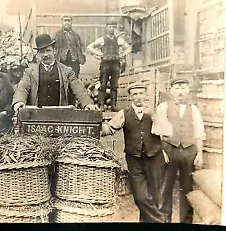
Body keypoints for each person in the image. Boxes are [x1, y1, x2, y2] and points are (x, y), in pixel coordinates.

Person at [101, 82, 167, 223]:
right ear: (130, 97)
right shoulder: (124, 114)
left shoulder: (155, 113)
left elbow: (165, 132)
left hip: (155, 157)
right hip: (134, 159)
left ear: (146, 95)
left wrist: (154, 116)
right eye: (134, 94)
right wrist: (96, 125)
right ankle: (161, 220)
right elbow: (109, 129)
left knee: (155, 195)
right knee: (140, 196)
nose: (138, 97)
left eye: (141, 93)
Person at [152, 77, 206, 223]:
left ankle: (186, 222)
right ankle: (164, 220)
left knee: (187, 190)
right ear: (171, 90)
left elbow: (199, 132)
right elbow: (157, 132)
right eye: (177, 88)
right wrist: (161, 152)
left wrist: (199, 154)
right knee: (165, 188)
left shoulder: (193, 109)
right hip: (169, 150)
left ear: (188, 90)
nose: (180, 92)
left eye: (183, 88)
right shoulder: (163, 107)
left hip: (189, 151)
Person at [12, 34, 97, 113]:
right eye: (42, 52)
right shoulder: (30, 72)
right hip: (38, 116)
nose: (45, 55)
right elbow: (22, 89)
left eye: (48, 51)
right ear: (38, 54)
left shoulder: (67, 71)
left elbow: (78, 90)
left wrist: (87, 103)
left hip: (60, 115)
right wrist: (19, 101)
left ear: (54, 51)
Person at [87, 17, 133, 112]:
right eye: (109, 26)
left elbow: (129, 48)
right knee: (103, 84)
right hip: (105, 64)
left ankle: (113, 105)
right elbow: (90, 47)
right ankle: (101, 105)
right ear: (106, 28)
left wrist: (122, 54)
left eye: (113, 27)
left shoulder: (119, 40)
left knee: (114, 85)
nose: (111, 28)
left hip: (116, 64)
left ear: (115, 28)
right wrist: (99, 55)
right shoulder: (102, 39)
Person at [53, 15, 86, 106]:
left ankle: (72, 103)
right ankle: (62, 103)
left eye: (69, 21)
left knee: (74, 82)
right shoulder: (57, 35)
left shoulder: (75, 35)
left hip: (74, 62)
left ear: (71, 22)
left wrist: (81, 57)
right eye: (65, 21)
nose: (67, 23)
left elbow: (82, 47)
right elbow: (52, 46)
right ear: (62, 22)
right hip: (62, 62)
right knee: (61, 82)